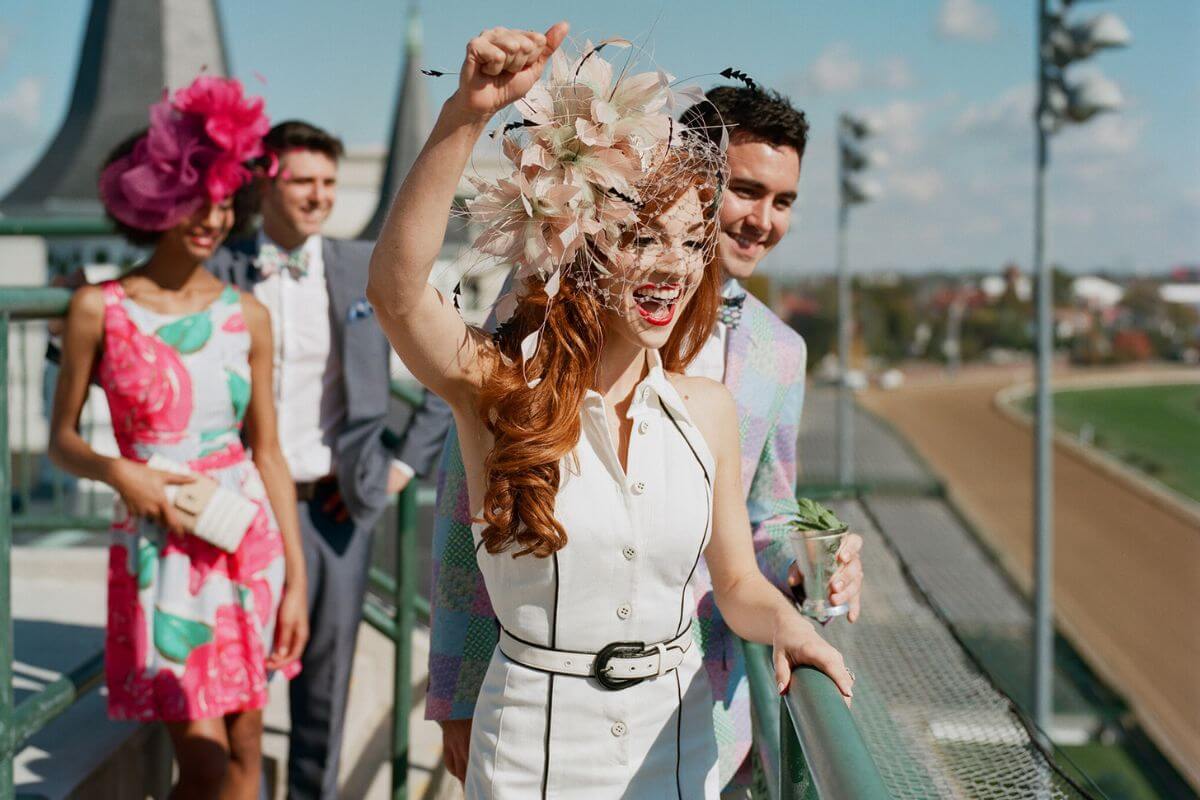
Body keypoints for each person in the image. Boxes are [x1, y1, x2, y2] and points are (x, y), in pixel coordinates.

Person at [367, 23, 854, 798]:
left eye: (693, 242)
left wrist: (793, 623)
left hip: (682, 750)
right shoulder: (498, 389)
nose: (672, 265)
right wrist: (466, 114)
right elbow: (395, 294)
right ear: (583, 240)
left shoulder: (713, 410)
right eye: (642, 236)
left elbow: (736, 581)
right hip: (531, 752)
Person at [48, 76, 308, 798]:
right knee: (201, 758)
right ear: (158, 197)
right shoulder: (96, 310)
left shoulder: (246, 315)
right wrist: (119, 473)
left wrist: (296, 580)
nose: (214, 217)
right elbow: (61, 443)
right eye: (198, 199)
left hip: (246, 545)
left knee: (249, 750)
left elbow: (271, 454)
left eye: (226, 200)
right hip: (159, 550)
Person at [207, 119, 453, 798]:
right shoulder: (217, 269)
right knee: (238, 696)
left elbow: (447, 371)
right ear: (267, 183)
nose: (319, 196)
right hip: (236, 513)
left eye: (328, 183)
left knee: (325, 698)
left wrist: (399, 470)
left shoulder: (364, 268)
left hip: (334, 511)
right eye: (303, 181)